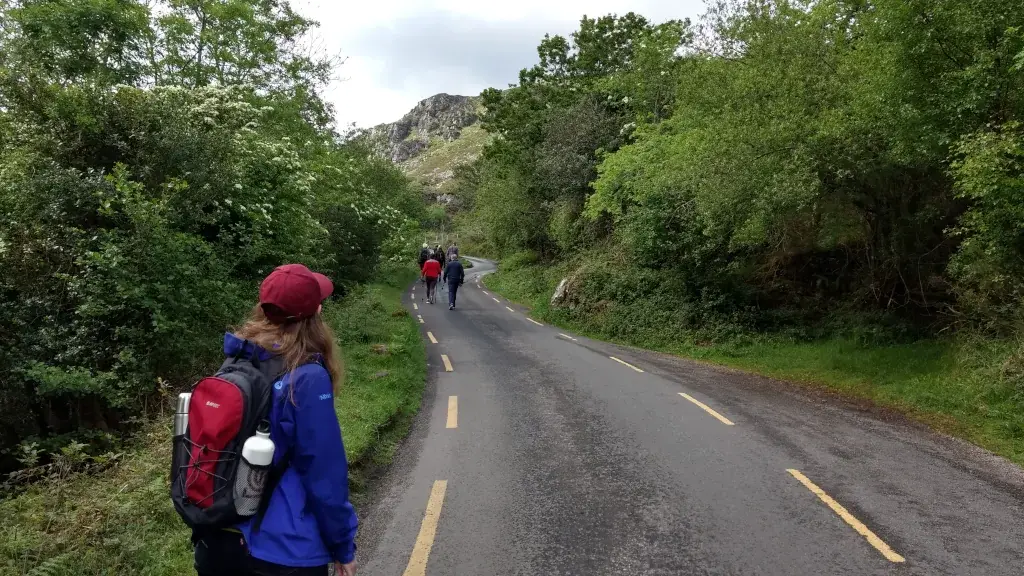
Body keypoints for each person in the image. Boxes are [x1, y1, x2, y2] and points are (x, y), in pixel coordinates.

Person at [192, 264, 358, 576]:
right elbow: (324, 473)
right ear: (316, 311)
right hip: (283, 552)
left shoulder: (239, 356)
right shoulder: (307, 377)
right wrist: (342, 545)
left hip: (217, 540)